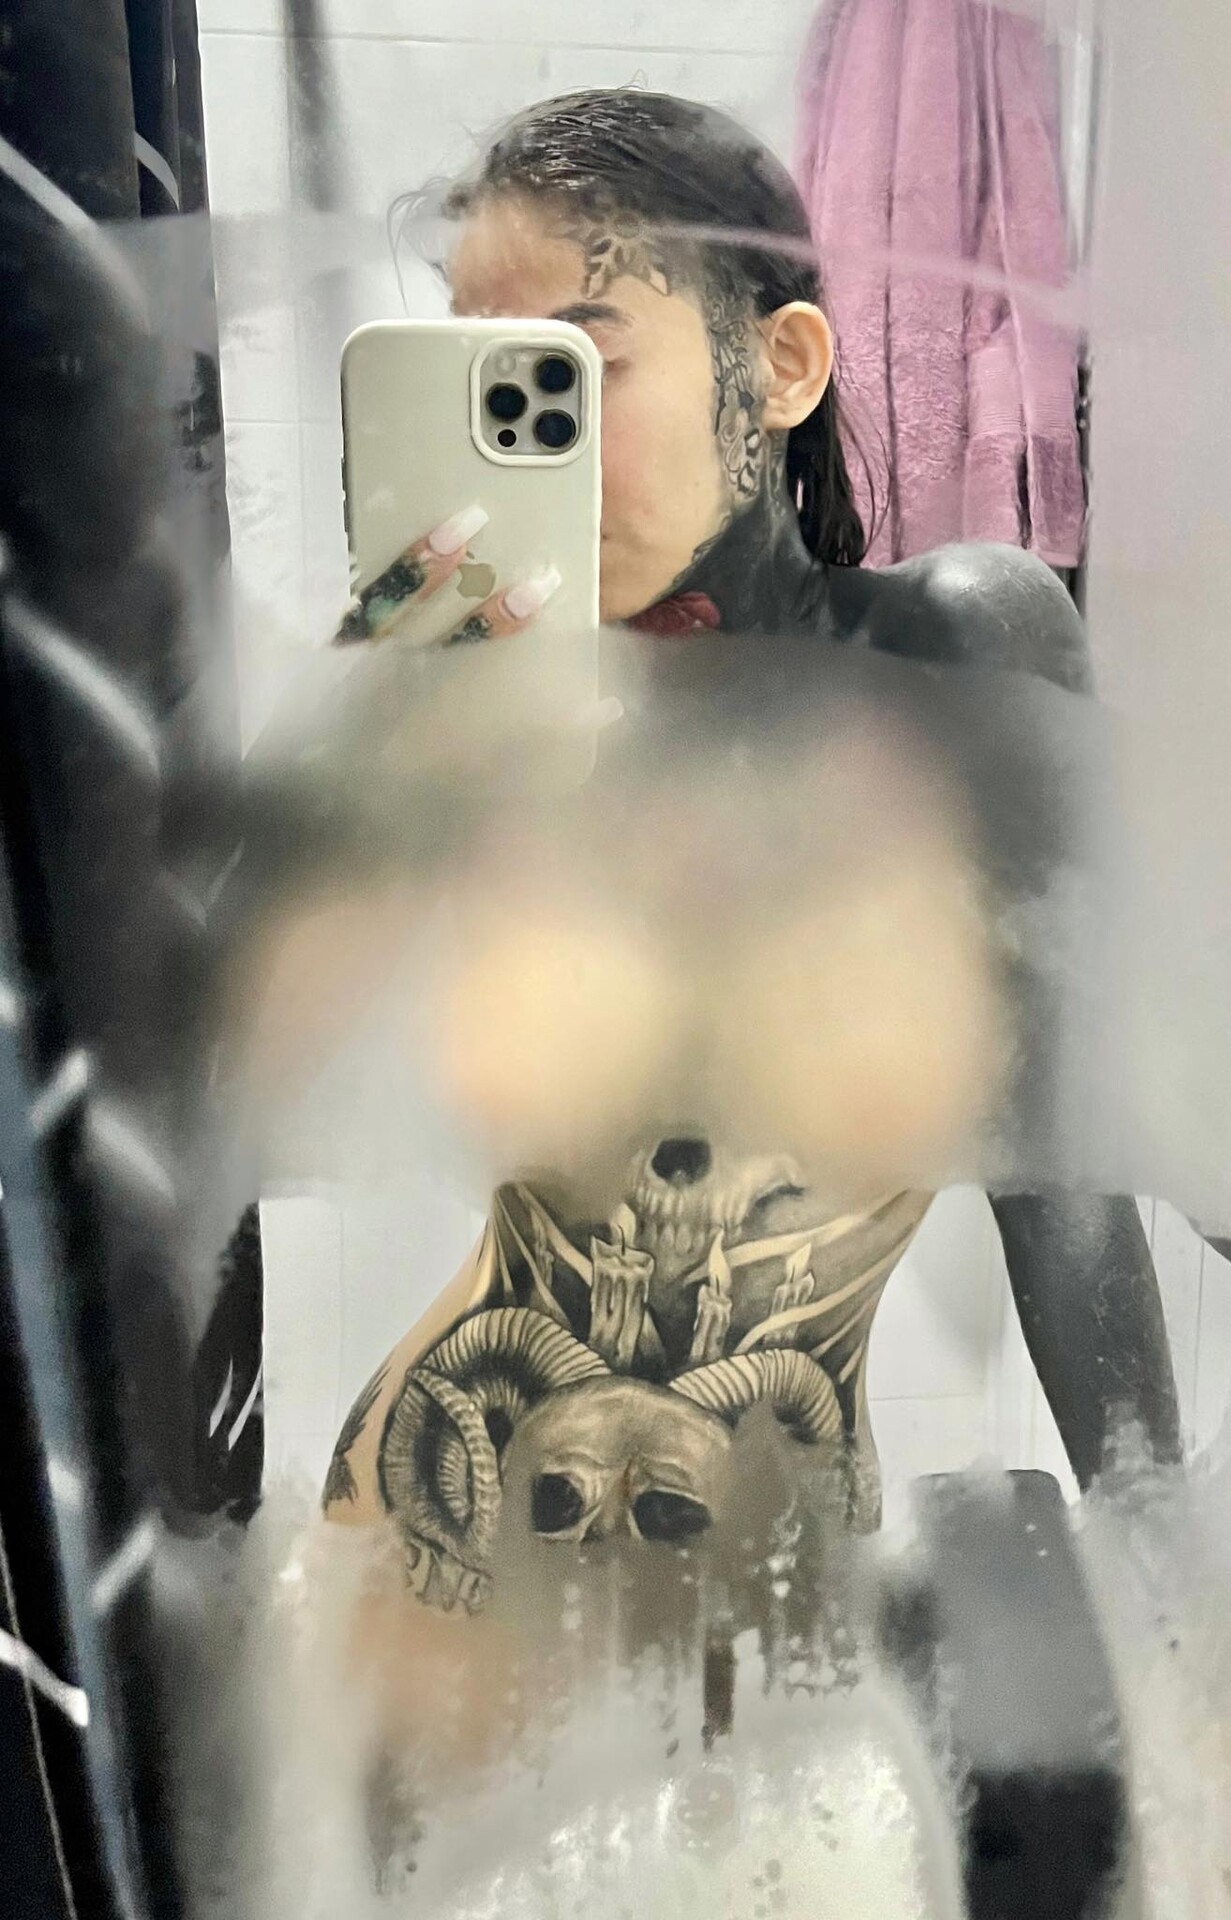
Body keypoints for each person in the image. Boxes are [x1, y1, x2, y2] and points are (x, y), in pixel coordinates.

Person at [320, 89, 1181, 1615]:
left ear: (780, 366)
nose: (537, 433)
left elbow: (1061, 1175)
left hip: (754, 1551)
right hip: (438, 1517)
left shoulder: (955, 650)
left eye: (579, 364)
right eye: (491, 379)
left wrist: (1168, 1574)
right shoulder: (489, 715)